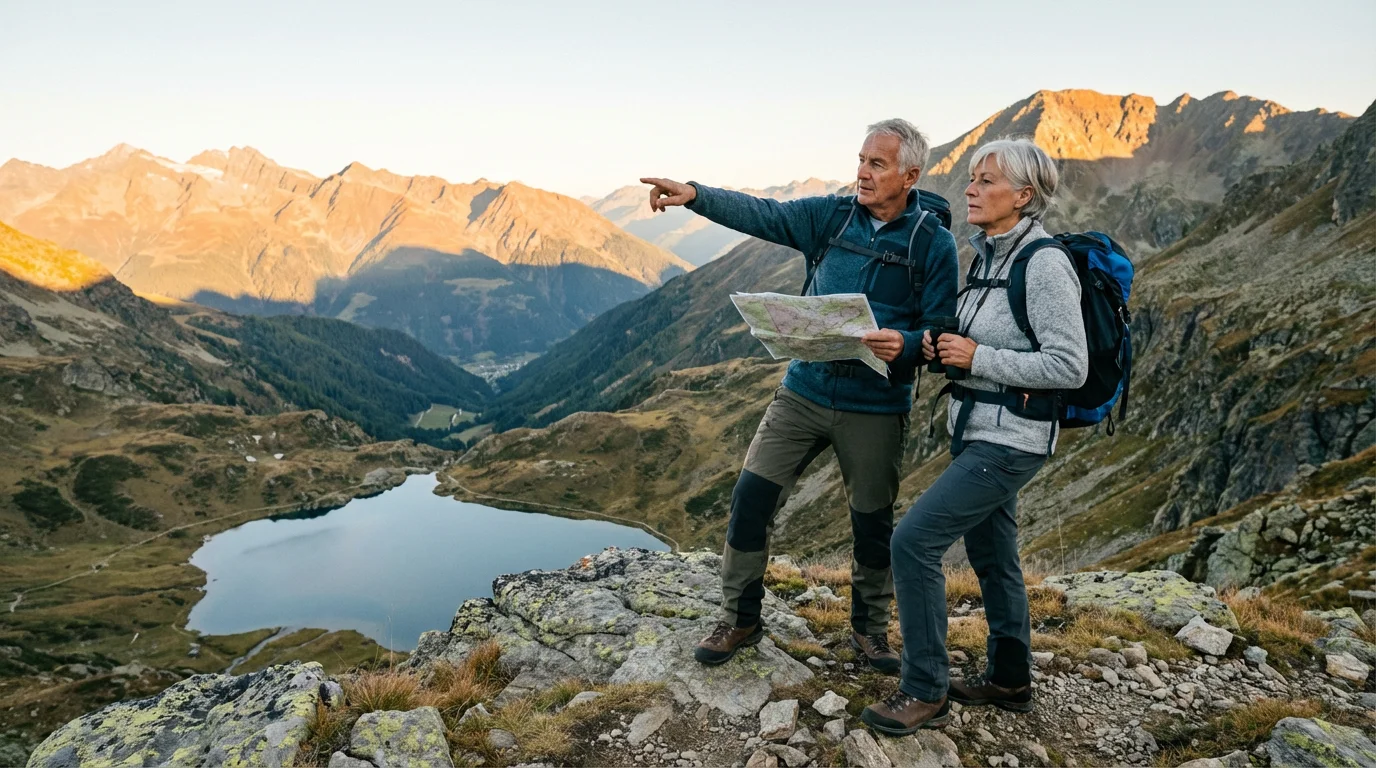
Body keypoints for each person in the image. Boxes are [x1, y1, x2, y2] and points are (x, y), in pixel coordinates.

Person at [642, 119, 959, 673]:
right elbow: (764, 214)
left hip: (876, 407)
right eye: (861, 159)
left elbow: (941, 333)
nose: (862, 171)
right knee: (750, 500)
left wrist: (905, 344)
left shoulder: (933, 243)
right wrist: (694, 195)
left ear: (910, 175)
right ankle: (740, 618)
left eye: (877, 164)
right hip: (802, 394)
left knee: (872, 524)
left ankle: (868, 631)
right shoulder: (829, 217)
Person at [861, 138, 1088, 735]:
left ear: (1024, 196)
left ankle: (924, 688)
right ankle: (1011, 679)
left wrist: (979, 355)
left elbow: (1070, 366)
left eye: (986, 181)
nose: (970, 188)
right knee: (993, 557)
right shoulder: (988, 255)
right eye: (971, 178)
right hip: (977, 429)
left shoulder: (1042, 263)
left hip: (1011, 438)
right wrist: (944, 348)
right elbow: (981, 342)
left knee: (912, 542)